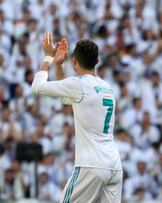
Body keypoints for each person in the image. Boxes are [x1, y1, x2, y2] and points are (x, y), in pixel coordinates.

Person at [31, 32, 122, 202]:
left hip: (91, 166)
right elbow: (67, 98)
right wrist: (59, 66)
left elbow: (37, 87)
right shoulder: (107, 87)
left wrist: (49, 58)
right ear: (97, 61)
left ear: (74, 62)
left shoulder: (79, 85)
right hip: (114, 166)